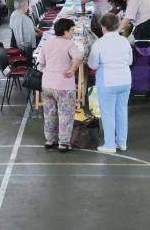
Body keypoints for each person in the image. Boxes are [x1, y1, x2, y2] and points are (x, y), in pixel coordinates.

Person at [87, 13, 132, 153]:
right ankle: (122, 142)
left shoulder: (99, 43)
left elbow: (93, 65)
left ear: (103, 27)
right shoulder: (124, 41)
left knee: (108, 113)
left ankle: (110, 145)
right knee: (121, 111)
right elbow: (130, 61)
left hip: (108, 81)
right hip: (125, 80)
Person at [39, 18, 83, 152]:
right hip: (64, 86)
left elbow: (41, 64)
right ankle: (63, 143)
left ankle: (49, 140)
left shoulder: (47, 43)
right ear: (65, 31)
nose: (73, 33)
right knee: (65, 115)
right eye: (72, 30)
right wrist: (72, 69)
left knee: (49, 114)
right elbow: (78, 58)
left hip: (47, 84)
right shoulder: (70, 44)